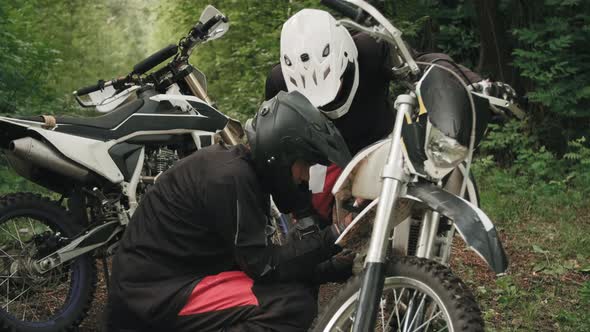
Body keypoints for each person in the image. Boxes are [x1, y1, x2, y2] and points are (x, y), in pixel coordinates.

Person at [105, 91, 353, 332]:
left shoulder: (239, 172)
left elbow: (257, 262)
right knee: (289, 304)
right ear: (282, 156)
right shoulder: (230, 179)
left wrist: (337, 266)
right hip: (152, 295)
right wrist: (335, 235)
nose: (306, 177)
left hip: (167, 283)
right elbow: (266, 267)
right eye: (306, 164)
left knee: (296, 287)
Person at [265, 9, 496, 222]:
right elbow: (277, 147)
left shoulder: (373, 48)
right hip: (325, 159)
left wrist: (473, 83)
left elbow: (420, 63)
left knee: (422, 187)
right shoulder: (278, 81)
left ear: (347, 55)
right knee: (321, 225)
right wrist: (303, 212)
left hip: (381, 146)